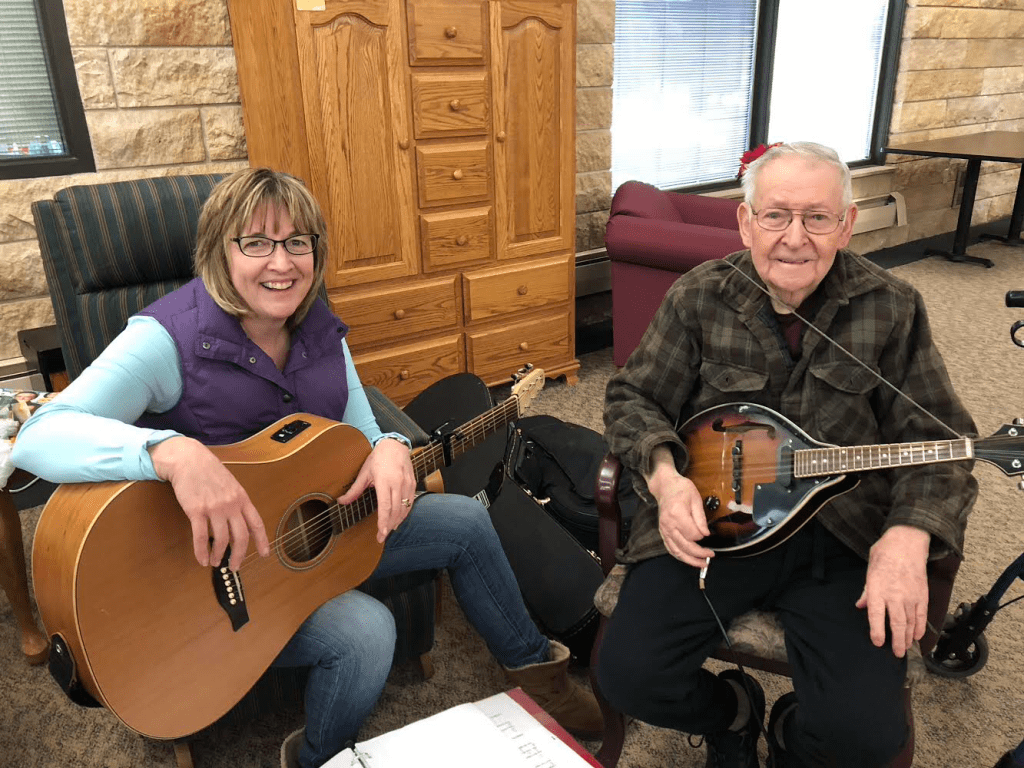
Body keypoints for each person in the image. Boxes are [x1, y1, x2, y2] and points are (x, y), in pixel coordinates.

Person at [12, 168, 601, 768]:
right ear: (219, 251)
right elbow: (37, 437)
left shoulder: (318, 326)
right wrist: (172, 453)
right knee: (366, 633)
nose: (282, 262)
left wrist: (390, 445)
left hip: (311, 537)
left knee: (465, 523)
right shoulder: (164, 339)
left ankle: (540, 678)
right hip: (205, 581)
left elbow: (361, 434)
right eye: (256, 242)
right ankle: (315, 758)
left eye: (297, 242)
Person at [596, 142, 978, 768]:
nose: (794, 238)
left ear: (846, 225)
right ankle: (733, 712)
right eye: (775, 215)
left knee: (865, 737)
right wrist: (665, 478)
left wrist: (908, 535)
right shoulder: (700, 295)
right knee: (628, 677)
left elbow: (943, 443)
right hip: (714, 526)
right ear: (746, 223)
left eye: (817, 217)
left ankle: (792, 737)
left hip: (841, 536)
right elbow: (632, 397)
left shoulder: (892, 306)